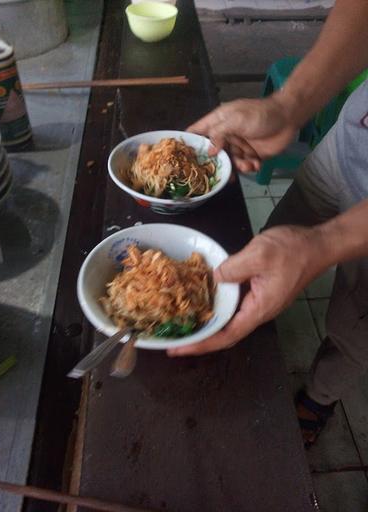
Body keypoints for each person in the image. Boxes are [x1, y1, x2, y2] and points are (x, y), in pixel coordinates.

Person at [167, 0, 368, 448]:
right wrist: (287, 105)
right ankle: (266, 315)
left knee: (355, 328)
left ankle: (319, 397)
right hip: (351, 142)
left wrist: (324, 244)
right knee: (281, 237)